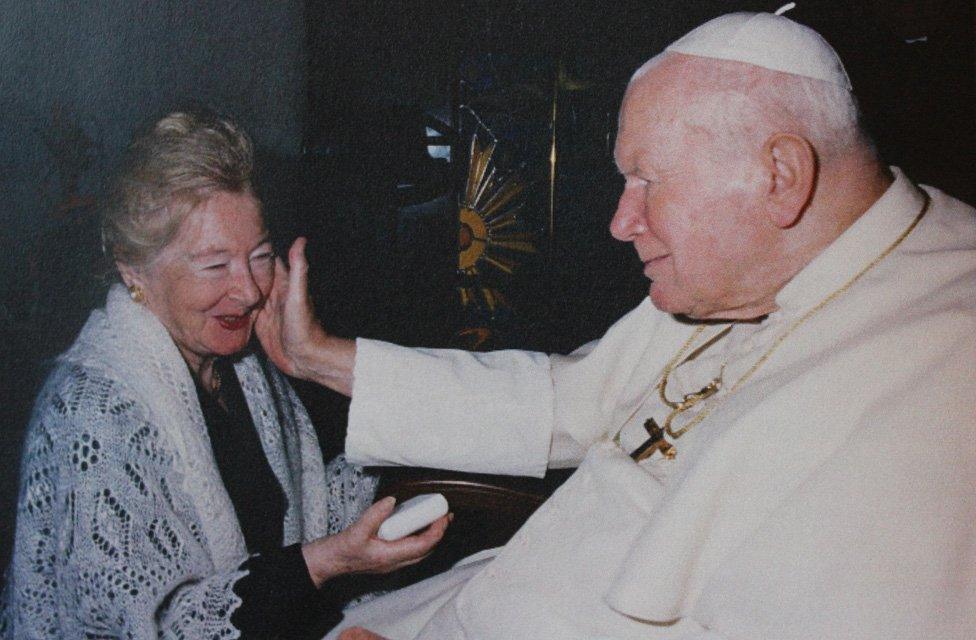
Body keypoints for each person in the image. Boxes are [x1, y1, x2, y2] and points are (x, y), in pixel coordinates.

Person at [259, 11, 975, 640]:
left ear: (779, 176)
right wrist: (321, 358)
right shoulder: (757, 269)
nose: (620, 223)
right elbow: (567, 401)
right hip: (493, 592)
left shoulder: (941, 387)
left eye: (647, 182)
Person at [0, 112, 449, 639]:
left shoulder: (243, 367)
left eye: (260, 257)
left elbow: (307, 515)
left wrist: (386, 431)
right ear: (132, 269)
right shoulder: (92, 410)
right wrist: (327, 562)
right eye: (215, 266)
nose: (248, 290)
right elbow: (150, 628)